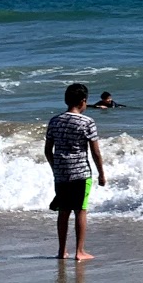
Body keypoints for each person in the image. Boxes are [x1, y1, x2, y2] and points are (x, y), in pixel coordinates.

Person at [44, 82, 105, 261]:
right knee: (81, 211)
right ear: (83, 101)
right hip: (80, 173)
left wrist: (55, 166)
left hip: (61, 173)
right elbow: (95, 151)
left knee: (63, 211)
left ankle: (61, 251)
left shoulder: (55, 120)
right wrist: (101, 173)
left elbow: (48, 149)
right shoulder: (87, 122)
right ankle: (79, 251)